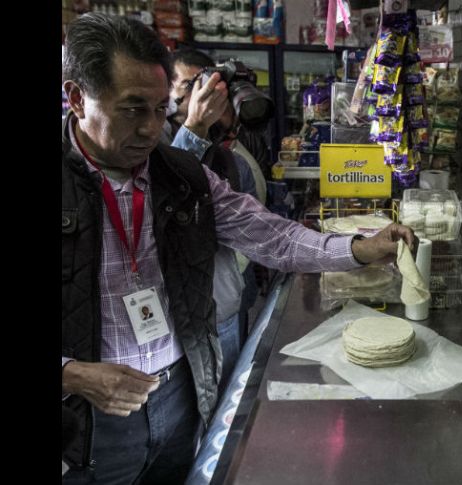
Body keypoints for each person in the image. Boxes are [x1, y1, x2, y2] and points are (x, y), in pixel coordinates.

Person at [61, 13, 415, 484]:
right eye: (131, 109)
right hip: (86, 423)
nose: (150, 129)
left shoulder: (181, 175)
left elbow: (271, 234)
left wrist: (358, 249)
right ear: (77, 98)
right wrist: (73, 375)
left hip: (180, 398)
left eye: (158, 108)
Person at [165, 47, 262, 396]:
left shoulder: (230, 160)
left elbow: (258, 231)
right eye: (196, 83)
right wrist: (194, 126)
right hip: (172, 326)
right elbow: (164, 201)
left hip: (224, 308)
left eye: (215, 84)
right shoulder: (151, 140)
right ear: (170, 90)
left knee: (225, 410)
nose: (209, 95)